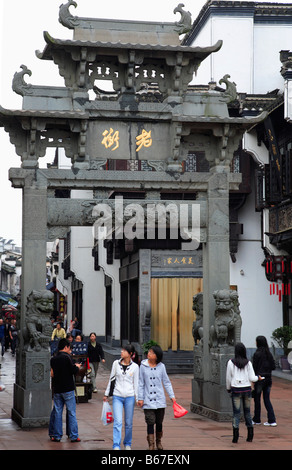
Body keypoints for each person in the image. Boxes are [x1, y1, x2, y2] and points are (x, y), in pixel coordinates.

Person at [138, 344, 176, 450]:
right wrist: (140, 398)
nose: (149, 354)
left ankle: (158, 442)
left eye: (152, 352)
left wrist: (172, 396)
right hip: (148, 399)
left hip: (159, 399)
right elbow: (141, 383)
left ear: (157, 356)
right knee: (150, 421)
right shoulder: (143, 366)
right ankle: (151, 445)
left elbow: (166, 382)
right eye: (149, 352)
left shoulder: (161, 367)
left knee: (159, 422)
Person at [104, 345, 139, 450]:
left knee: (128, 423)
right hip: (117, 396)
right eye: (122, 350)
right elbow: (111, 379)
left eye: (124, 351)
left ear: (130, 354)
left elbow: (136, 384)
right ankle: (116, 445)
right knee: (118, 421)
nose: (121, 352)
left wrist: (138, 398)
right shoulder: (115, 364)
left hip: (129, 396)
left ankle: (127, 443)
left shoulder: (135, 367)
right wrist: (106, 394)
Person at [226, 342, 263, 443]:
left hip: (236, 389)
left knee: (236, 413)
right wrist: (258, 378)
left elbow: (228, 378)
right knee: (247, 413)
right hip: (247, 390)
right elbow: (252, 378)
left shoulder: (230, 362)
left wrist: (228, 388)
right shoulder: (248, 363)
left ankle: (235, 436)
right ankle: (250, 435)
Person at [49, 338, 81, 442]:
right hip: (68, 389)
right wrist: (77, 366)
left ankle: (57, 435)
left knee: (58, 412)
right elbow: (73, 371)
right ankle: (73, 435)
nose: (70, 350)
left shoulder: (53, 359)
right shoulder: (67, 358)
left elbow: (52, 374)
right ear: (66, 347)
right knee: (71, 412)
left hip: (57, 389)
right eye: (69, 348)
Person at [252, 335, 277, 426]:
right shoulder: (269, 354)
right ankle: (272, 420)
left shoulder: (257, 354)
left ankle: (257, 419)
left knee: (257, 399)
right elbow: (273, 366)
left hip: (259, 378)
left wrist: (253, 378)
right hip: (268, 378)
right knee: (267, 399)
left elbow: (254, 368)